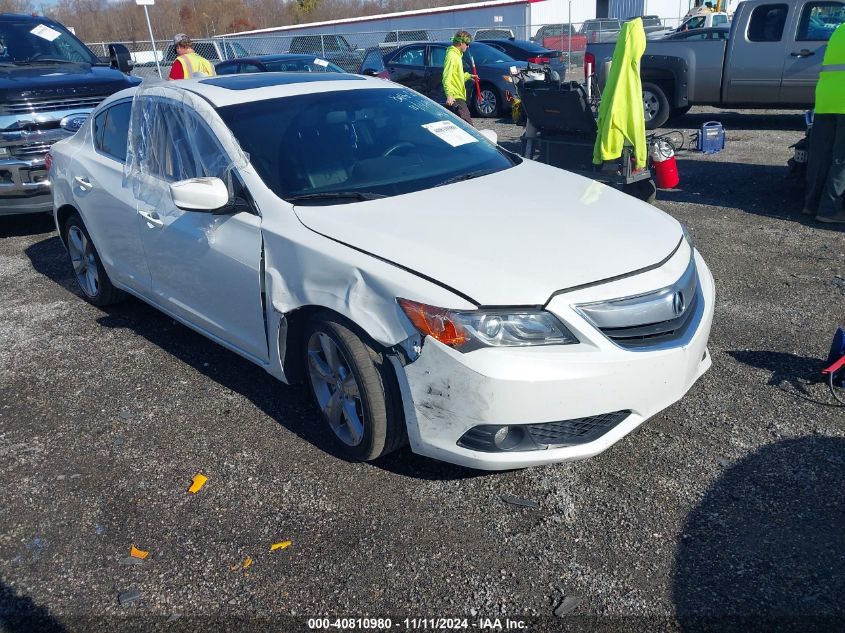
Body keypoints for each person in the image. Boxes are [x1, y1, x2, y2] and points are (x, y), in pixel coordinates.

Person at [803, 23, 845, 223]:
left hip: (825, 100)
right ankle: (830, 210)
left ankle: (811, 205)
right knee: (841, 159)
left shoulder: (840, 29)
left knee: (821, 156)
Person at [442, 30, 478, 126]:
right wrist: (449, 94)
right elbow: (447, 76)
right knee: (468, 126)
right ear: (461, 43)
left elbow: (457, 74)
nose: (468, 46)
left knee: (459, 126)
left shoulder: (457, 56)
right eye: (467, 43)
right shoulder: (452, 56)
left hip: (459, 95)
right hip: (455, 96)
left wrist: (469, 76)